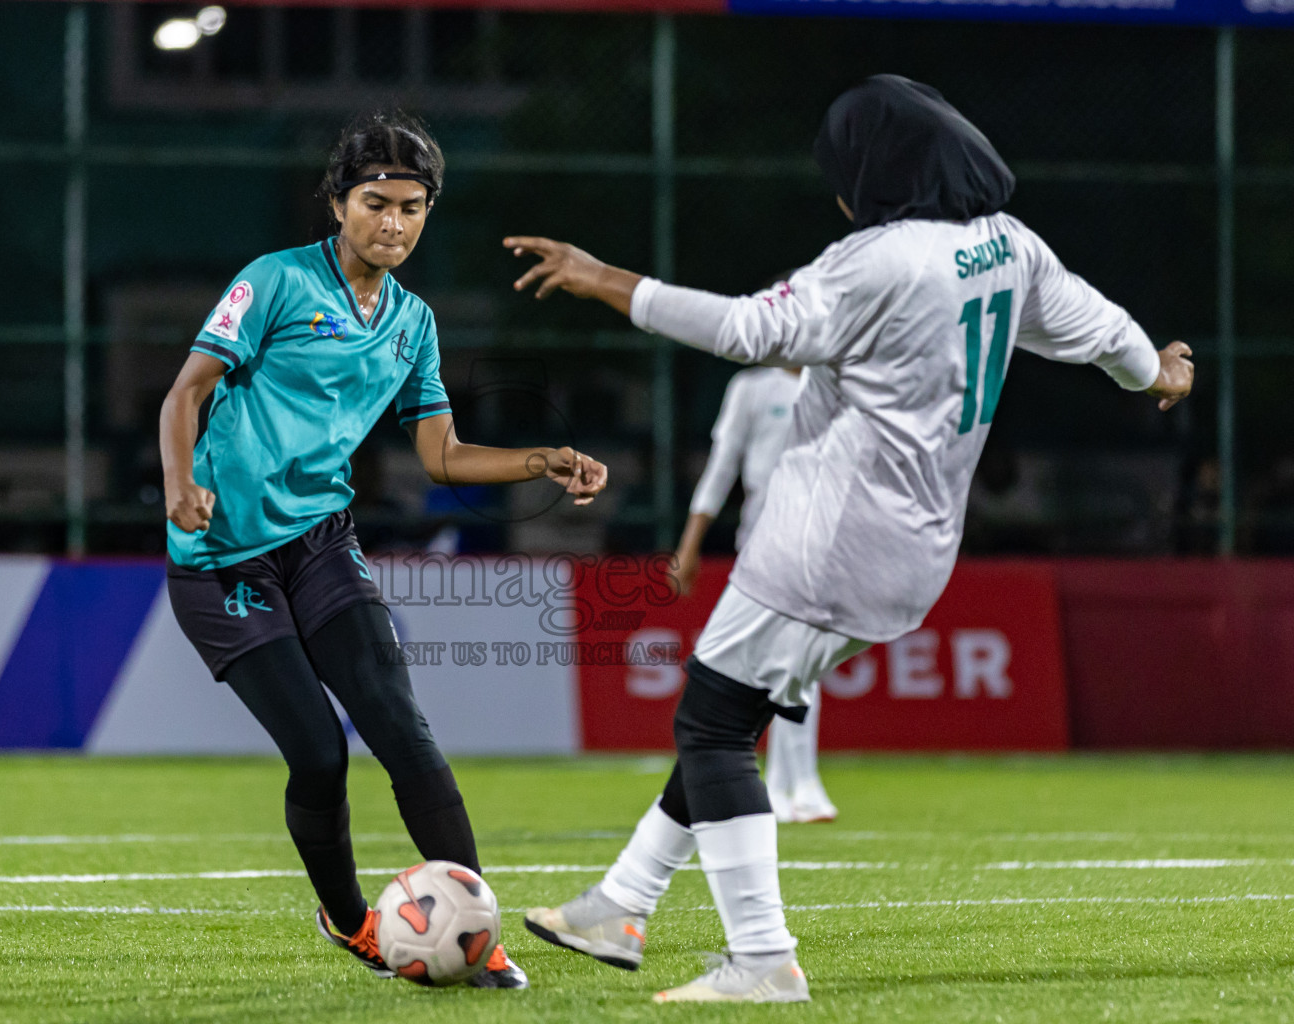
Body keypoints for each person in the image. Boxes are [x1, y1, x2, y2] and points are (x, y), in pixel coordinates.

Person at [508, 75, 1193, 1003]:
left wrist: (606, 280)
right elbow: (1107, 334)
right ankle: (621, 903)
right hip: (919, 552)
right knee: (732, 714)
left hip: (823, 540)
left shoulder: (875, 260)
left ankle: (761, 959)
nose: (839, 188)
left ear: (881, 175)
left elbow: (749, 330)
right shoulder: (1008, 248)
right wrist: (1160, 372)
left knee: (709, 724)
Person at [159, 111, 607, 990]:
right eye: (374, 203)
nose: (392, 223)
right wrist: (182, 482)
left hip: (321, 540)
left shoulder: (412, 322)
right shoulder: (275, 283)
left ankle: (479, 935)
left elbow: (440, 455)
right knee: (321, 753)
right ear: (337, 202)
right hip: (221, 558)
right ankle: (350, 919)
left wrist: (538, 459)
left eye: (411, 207)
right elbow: (187, 391)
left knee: (402, 728)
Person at [670, 363, 837, 824]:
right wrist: (690, 544)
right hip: (762, 542)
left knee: (805, 655)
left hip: (820, 539)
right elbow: (722, 466)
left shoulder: (835, 378)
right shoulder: (752, 387)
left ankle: (799, 782)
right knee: (750, 659)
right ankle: (778, 784)